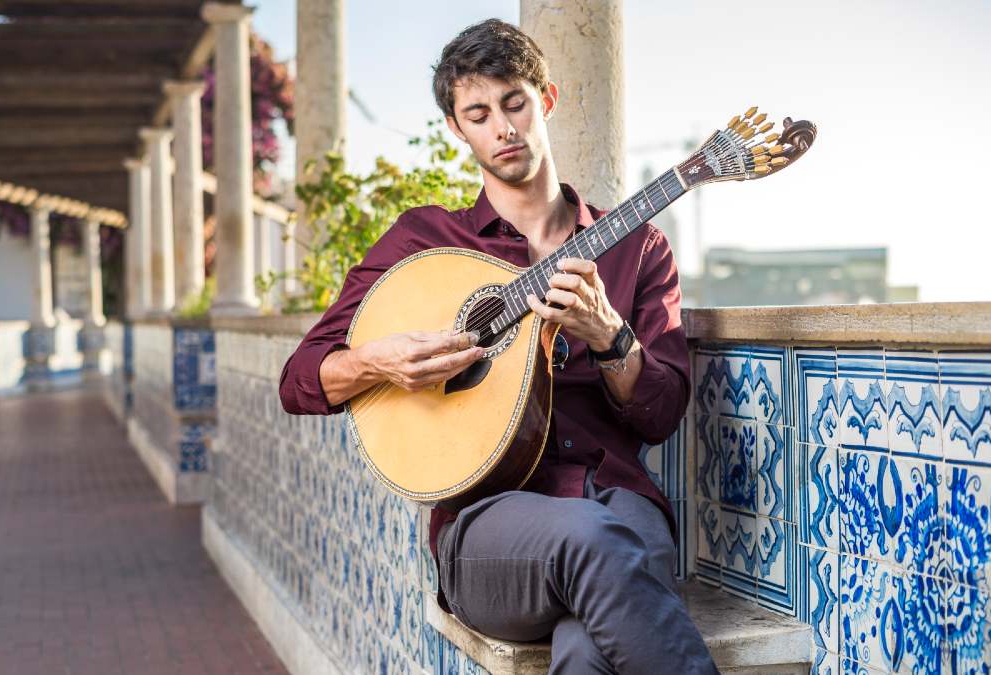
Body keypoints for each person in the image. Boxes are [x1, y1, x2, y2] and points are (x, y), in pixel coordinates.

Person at [278, 18, 717, 675]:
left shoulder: (638, 250)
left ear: (545, 100)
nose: (503, 128)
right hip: (487, 531)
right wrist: (377, 361)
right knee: (594, 544)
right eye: (478, 113)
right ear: (458, 129)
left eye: (514, 103)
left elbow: (660, 415)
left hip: (618, 502)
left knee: (585, 652)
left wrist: (608, 334)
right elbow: (299, 379)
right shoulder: (425, 244)